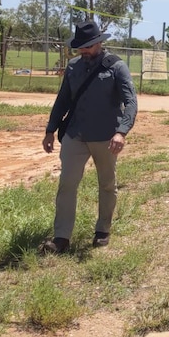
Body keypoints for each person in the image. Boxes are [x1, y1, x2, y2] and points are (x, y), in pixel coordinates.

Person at [40, 20, 138, 254]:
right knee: (67, 184)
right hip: (75, 134)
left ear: (98, 43)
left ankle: (103, 230)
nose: (82, 51)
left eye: (87, 46)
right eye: (79, 47)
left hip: (106, 137)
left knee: (106, 184)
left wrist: (121, 132)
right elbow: (62, 100)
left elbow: (131, 102)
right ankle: (62, 238)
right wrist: (50, 130)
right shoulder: (73, 67)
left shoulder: (116, 67)